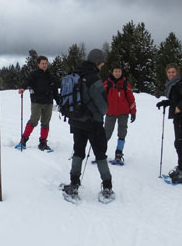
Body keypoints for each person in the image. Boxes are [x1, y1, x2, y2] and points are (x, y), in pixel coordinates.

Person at [61, 49, 114, 201]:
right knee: (100, 154)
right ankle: (107, 186)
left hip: (75, 121)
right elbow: (104, 106)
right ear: (97, 62)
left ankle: (74, 183)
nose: (102, 66)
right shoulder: (94, 79)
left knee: (78, 151)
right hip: (93, 123)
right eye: (102, 63)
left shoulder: (75, 74)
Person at [156, 63, 182, 184]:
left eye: (173, 72)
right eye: (169, 72)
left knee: (181, 142)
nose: (171, 74)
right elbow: (176, 99)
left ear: (177, 73)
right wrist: (165, 103)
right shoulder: (174, 84)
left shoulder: (179, 84)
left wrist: (179, 107)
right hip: (179, 117)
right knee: (180, 142)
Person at [16, 56, 60, 151]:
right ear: (38, 64)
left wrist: (59, 102)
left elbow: (55, 91)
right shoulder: (34, 74)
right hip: (37, 102)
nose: (44, 65)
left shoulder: (51, 76)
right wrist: (22, 87)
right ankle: (23, 140)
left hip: (48, 102)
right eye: (42, 63)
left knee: (45, 123)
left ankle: (43, 142)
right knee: (34, 120)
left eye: (46, 63)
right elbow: (27, 81)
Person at [103, 64, 137, 165]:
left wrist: (133, 112)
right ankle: (101, 153)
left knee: (122, 133)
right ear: (112, 72)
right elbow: (100, 97)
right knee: (106, 134)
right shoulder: (107, 84)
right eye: (115, 71)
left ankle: (119, 153)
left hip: (123, 113)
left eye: (119, 71)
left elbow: (131, 99)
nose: (117, 73)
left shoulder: (126, 84)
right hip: (110, 113)